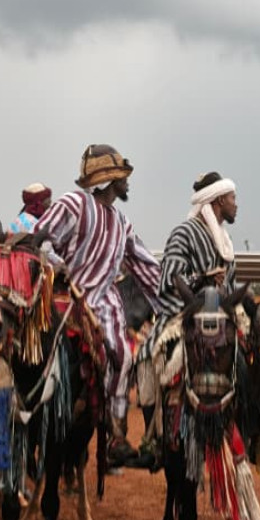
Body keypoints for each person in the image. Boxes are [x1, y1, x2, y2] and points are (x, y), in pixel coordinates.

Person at [34, 145, 161, 464]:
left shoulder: (121, 221)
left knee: (123, 355)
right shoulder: (74, 203)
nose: (126, 182)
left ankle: (115, 434)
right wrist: (57, 261)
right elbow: (41, 236)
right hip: (67, 297)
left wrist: (175, 297)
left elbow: (146, 266)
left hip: (104, 303)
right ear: (107, 180)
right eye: (121, 176)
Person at [131, 171, 240, 470]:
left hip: (221, 316)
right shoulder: (184, 232)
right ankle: (155, 439)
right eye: (232, 198)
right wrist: (202, 279)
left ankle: (247, 429)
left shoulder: (225, 240)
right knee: (146, 359)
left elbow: (230, 285)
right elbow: (169, 277)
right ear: (218, 200)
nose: (236, 204)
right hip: (183, 315)